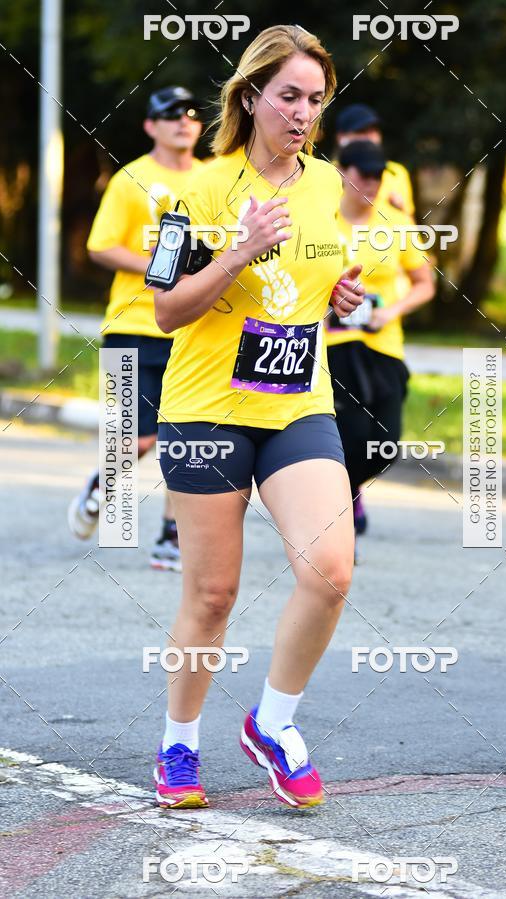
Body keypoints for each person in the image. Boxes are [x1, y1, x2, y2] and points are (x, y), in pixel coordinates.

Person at [151, 25, 364, 810]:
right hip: (206, 409)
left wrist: (336, 292)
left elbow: (310, 274)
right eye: (288, 96)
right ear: (250, 97)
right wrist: (237, 253)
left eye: (315, 99)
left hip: (298, 402)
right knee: (212, 594)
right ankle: (178, 743)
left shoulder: (326, 183)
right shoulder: (200, 190)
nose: (303, 113)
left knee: (331, 570)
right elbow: (168, 309)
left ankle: (272, 722)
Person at [67, 87, 204, 571]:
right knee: (137, 439)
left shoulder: (213, 179)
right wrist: (160, 267)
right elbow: (100, 246)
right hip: (132, 325)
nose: (183, 121)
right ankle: (101, 484)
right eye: (171, 114)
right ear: (150, 125)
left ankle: (172, 537)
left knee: (183, 439)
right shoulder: (131, 179)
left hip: (192, 328)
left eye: (191, 113)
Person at [326, 140, 435, 535]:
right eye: (364, 174)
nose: (372, 183)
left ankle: (344, 491)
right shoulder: (321, 218)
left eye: (378, 175)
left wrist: (390, 311)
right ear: (343, 171)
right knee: (352, 436)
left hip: (383, 345)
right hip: (334, 346)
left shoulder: (396, 222)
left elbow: (425, 284)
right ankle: (334, 522)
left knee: (386, 444)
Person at [334, 103, 415, 217]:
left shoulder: (396, 172)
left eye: (373, 131)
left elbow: (409, 220)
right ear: (341, 137)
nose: (369, 137)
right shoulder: (326, 172)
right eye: (361, 131)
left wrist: (401, 213)